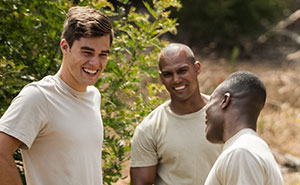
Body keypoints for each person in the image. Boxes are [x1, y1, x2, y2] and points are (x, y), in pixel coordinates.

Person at [0, 6, 113, 185]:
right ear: (65, 46)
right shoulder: (38, 97)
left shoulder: (93, 96)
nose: (95, 62)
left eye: (103, 55)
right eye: (87, 52)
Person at [130, 43, 222, 185]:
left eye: (182, 71)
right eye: (168, 74)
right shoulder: (149, 128)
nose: (176, 79)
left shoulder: (225, 113)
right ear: (161, 78)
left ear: (197, 68)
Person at [204, 71, 284, 185]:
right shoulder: (251, 147)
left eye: (211, 100)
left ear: (225, 100)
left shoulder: (241, 153)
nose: (205, 109)